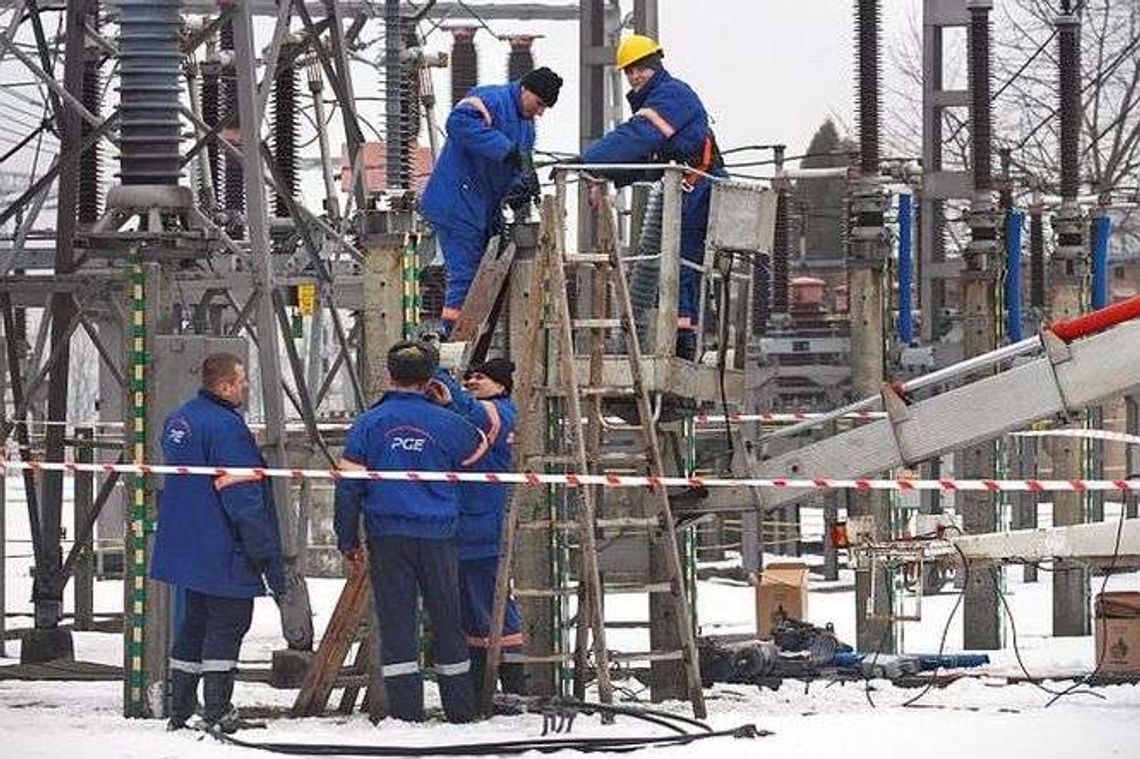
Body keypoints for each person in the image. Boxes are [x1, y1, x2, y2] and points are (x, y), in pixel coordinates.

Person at [333, 340, 490, 723]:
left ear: (388, 376)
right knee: (448, 619)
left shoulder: (368, 424)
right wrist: (449, 405)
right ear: (429, 379)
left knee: (397, 621)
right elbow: (478, 449)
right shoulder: (448, 422)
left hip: (387, 537)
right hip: (438, 536)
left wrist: (347, 538)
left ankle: (405, 714)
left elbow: (348, 486)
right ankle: (460, 711)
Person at [151, 352, 287, 733]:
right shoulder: (228, 429)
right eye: (242, 381)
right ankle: (217, 711)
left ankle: (180, 710)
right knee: (228, 626)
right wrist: (264, 553)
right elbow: (242, 498)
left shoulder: (179, 420)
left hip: (187, 546)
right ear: (225, 384)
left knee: (194, 625)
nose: (245, 387)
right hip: (222, 547)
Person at [579, 34, 726, 360]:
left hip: (700, 188)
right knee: (670, 267)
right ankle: (678, 340)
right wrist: (606, 174)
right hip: (685, 188)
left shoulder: (672, 96)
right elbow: (647, 163)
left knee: (681, 267)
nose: (634, 76)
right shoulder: (658, 101)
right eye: (629, 71)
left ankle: (683, 345)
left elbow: (638, 136)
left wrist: (588, 160)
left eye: (640, 68)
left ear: (656, 65)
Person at [420, 66, 563, 336]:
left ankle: (468, 336)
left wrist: (520, 187)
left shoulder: (527, 129)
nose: (540, 112)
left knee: (480, 275)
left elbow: (515, 167)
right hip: (457, 202)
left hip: (481, 208)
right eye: (539, 103)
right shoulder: (492, 100)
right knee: (466, 275)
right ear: (525, 90)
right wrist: (506, 151)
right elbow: (458, 123)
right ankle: (454, 339)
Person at [429, 358, 525, 695]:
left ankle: (514, 687)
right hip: (462, 528)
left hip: (483, 530)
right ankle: (478, 689)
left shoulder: (501, 412)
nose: (471, 381)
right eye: (467, 377)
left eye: (480, 378)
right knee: (469, 613)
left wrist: (438, 371)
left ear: (500, 386)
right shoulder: (473, 414)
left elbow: (472, 412)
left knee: (494, 609)